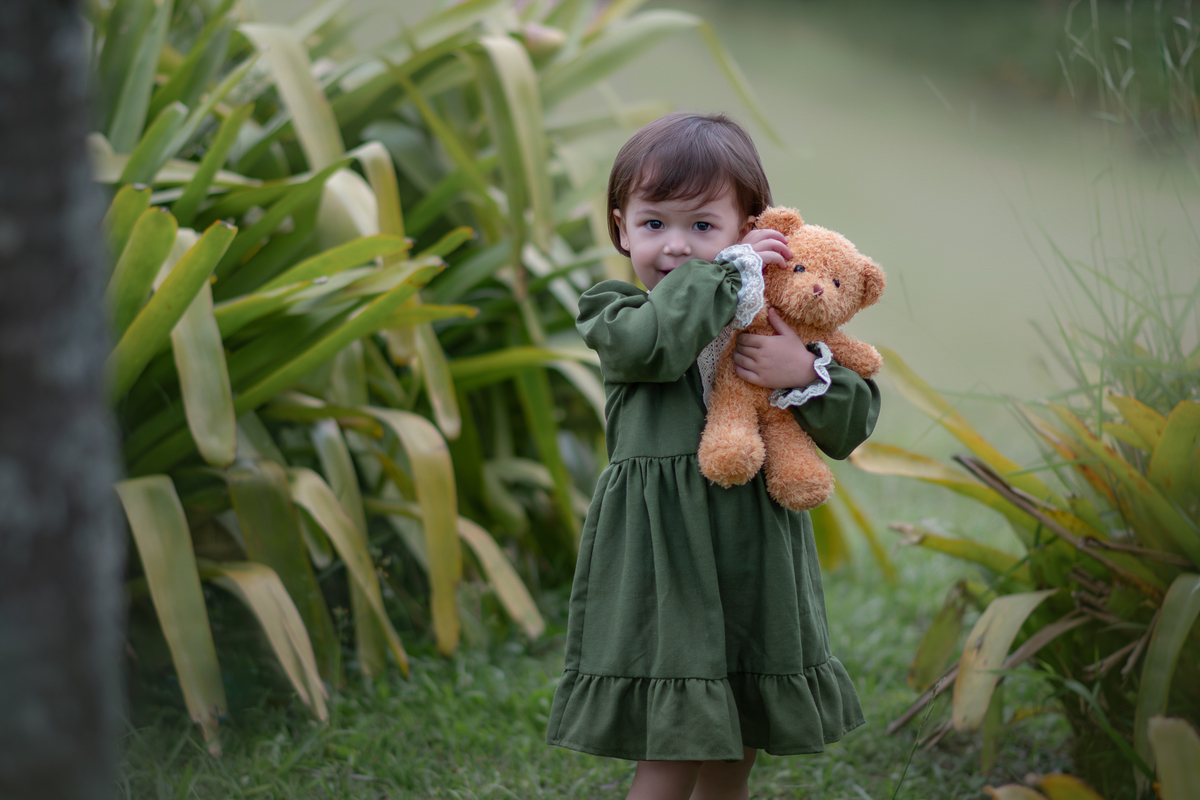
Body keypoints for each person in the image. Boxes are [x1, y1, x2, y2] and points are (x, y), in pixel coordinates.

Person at [545, 112, 880, 800]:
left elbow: (851, 425)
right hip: (663, 553)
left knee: (741, 727)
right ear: (619, 228)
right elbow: (655, 346)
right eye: (652, 224)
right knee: (671, 742)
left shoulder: (771, 323)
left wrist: (804, 368)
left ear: (752, 227)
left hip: (754, 547)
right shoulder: (615, 312)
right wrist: (727, 271)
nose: (675, 248)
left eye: (703, 226)